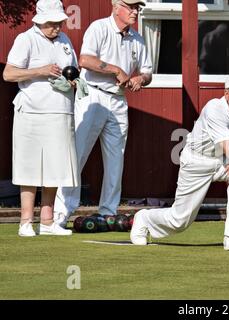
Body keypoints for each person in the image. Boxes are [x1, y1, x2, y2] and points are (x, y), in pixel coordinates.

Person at [130, 73, 229, 250]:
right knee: (180, 221)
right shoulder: (214, 109)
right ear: (227, 93)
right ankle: (144, 218)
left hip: (223, 159)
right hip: (197, 160)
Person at [53, 0, 153, 227]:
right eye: (131, 6)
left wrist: (140, 79)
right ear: (116, 7)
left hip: (118, 100)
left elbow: (147, 72)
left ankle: (107, 212)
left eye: (138, 7)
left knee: (116, 159)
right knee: (77, 155)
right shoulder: (99, 28)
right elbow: (85, 60)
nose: (135, 11)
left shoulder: (137, 39)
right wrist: (116, 70)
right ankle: (61, 214)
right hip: (93, 97)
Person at [2, 0, 78, 237]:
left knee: (54, 167)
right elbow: (9, 73)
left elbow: (73, 71)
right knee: (31, 167)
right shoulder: (26, 39)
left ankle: (47, 222)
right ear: (40, 20)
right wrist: (40, 71)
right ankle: (26, 222)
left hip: (60, 110)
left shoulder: (65, 41)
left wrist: (74, 82)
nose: (57, 27)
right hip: (32, 112)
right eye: (52, 23)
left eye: (59, 22)